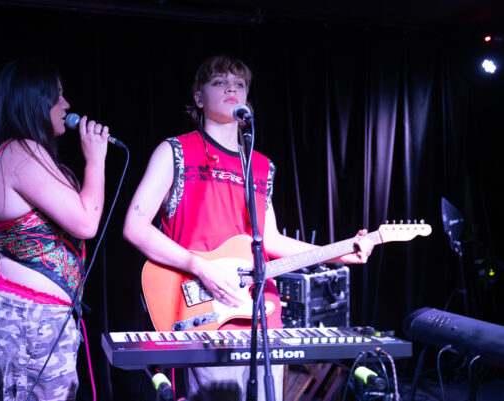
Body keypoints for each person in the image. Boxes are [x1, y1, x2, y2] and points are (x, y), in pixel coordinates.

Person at [122, 54, 374, 401]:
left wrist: (340, 253)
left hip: (261, 311)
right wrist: (201, 267)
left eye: (239, 84)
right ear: (198, 97)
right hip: (205, 311)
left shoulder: (261, 165)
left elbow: (270, 240)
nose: (231, 88)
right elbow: (135, 227)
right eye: (219, 82)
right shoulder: (175, 151)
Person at [0, 57, 110, 401]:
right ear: (34, 100)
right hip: (31, 320)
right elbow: (86, 222)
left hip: (27, 318)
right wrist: (96, 160)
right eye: (57, 95)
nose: (67, 105)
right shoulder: (21, 151)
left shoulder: (10, 152)